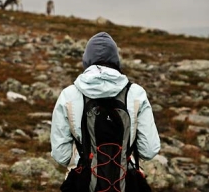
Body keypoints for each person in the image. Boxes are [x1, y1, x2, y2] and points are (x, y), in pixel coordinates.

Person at [50, 32, 161, 191]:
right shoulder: (136, 93)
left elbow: (61, 155)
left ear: (86, 60)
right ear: (116, 60)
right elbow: (149, 150)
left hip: (83, 184)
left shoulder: (69, 94)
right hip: (125, 183)